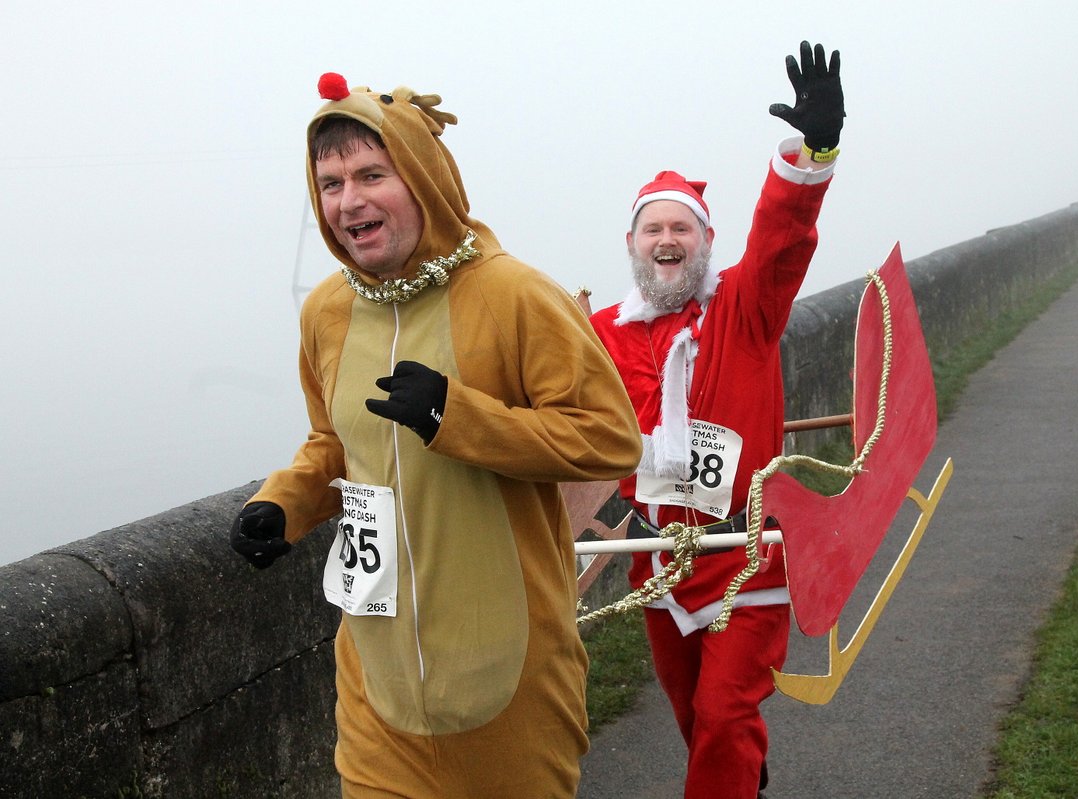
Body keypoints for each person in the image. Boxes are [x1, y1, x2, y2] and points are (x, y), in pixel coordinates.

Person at [229, 72, 642, 798]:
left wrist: (453, 417)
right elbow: (334, 441)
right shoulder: (327, 311)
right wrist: (284, 503)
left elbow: (609, 438)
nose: (347, 200)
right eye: (329, 183)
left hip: (507, 677)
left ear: (421, 177)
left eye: (369, 174)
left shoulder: (515, 294)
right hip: (375, 678)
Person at [589, 41, 845, 799]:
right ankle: (741, 776)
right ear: (633, 246)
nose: (667, 241)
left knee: (725, 713)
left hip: (746, 551)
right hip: (658, 555)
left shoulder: (745, 307)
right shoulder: (602, 330)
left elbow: (782, 236)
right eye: (653, 230)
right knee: (693, 714)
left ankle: (733, 771)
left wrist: (814, 153)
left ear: (705, 242)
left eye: (682, 229)